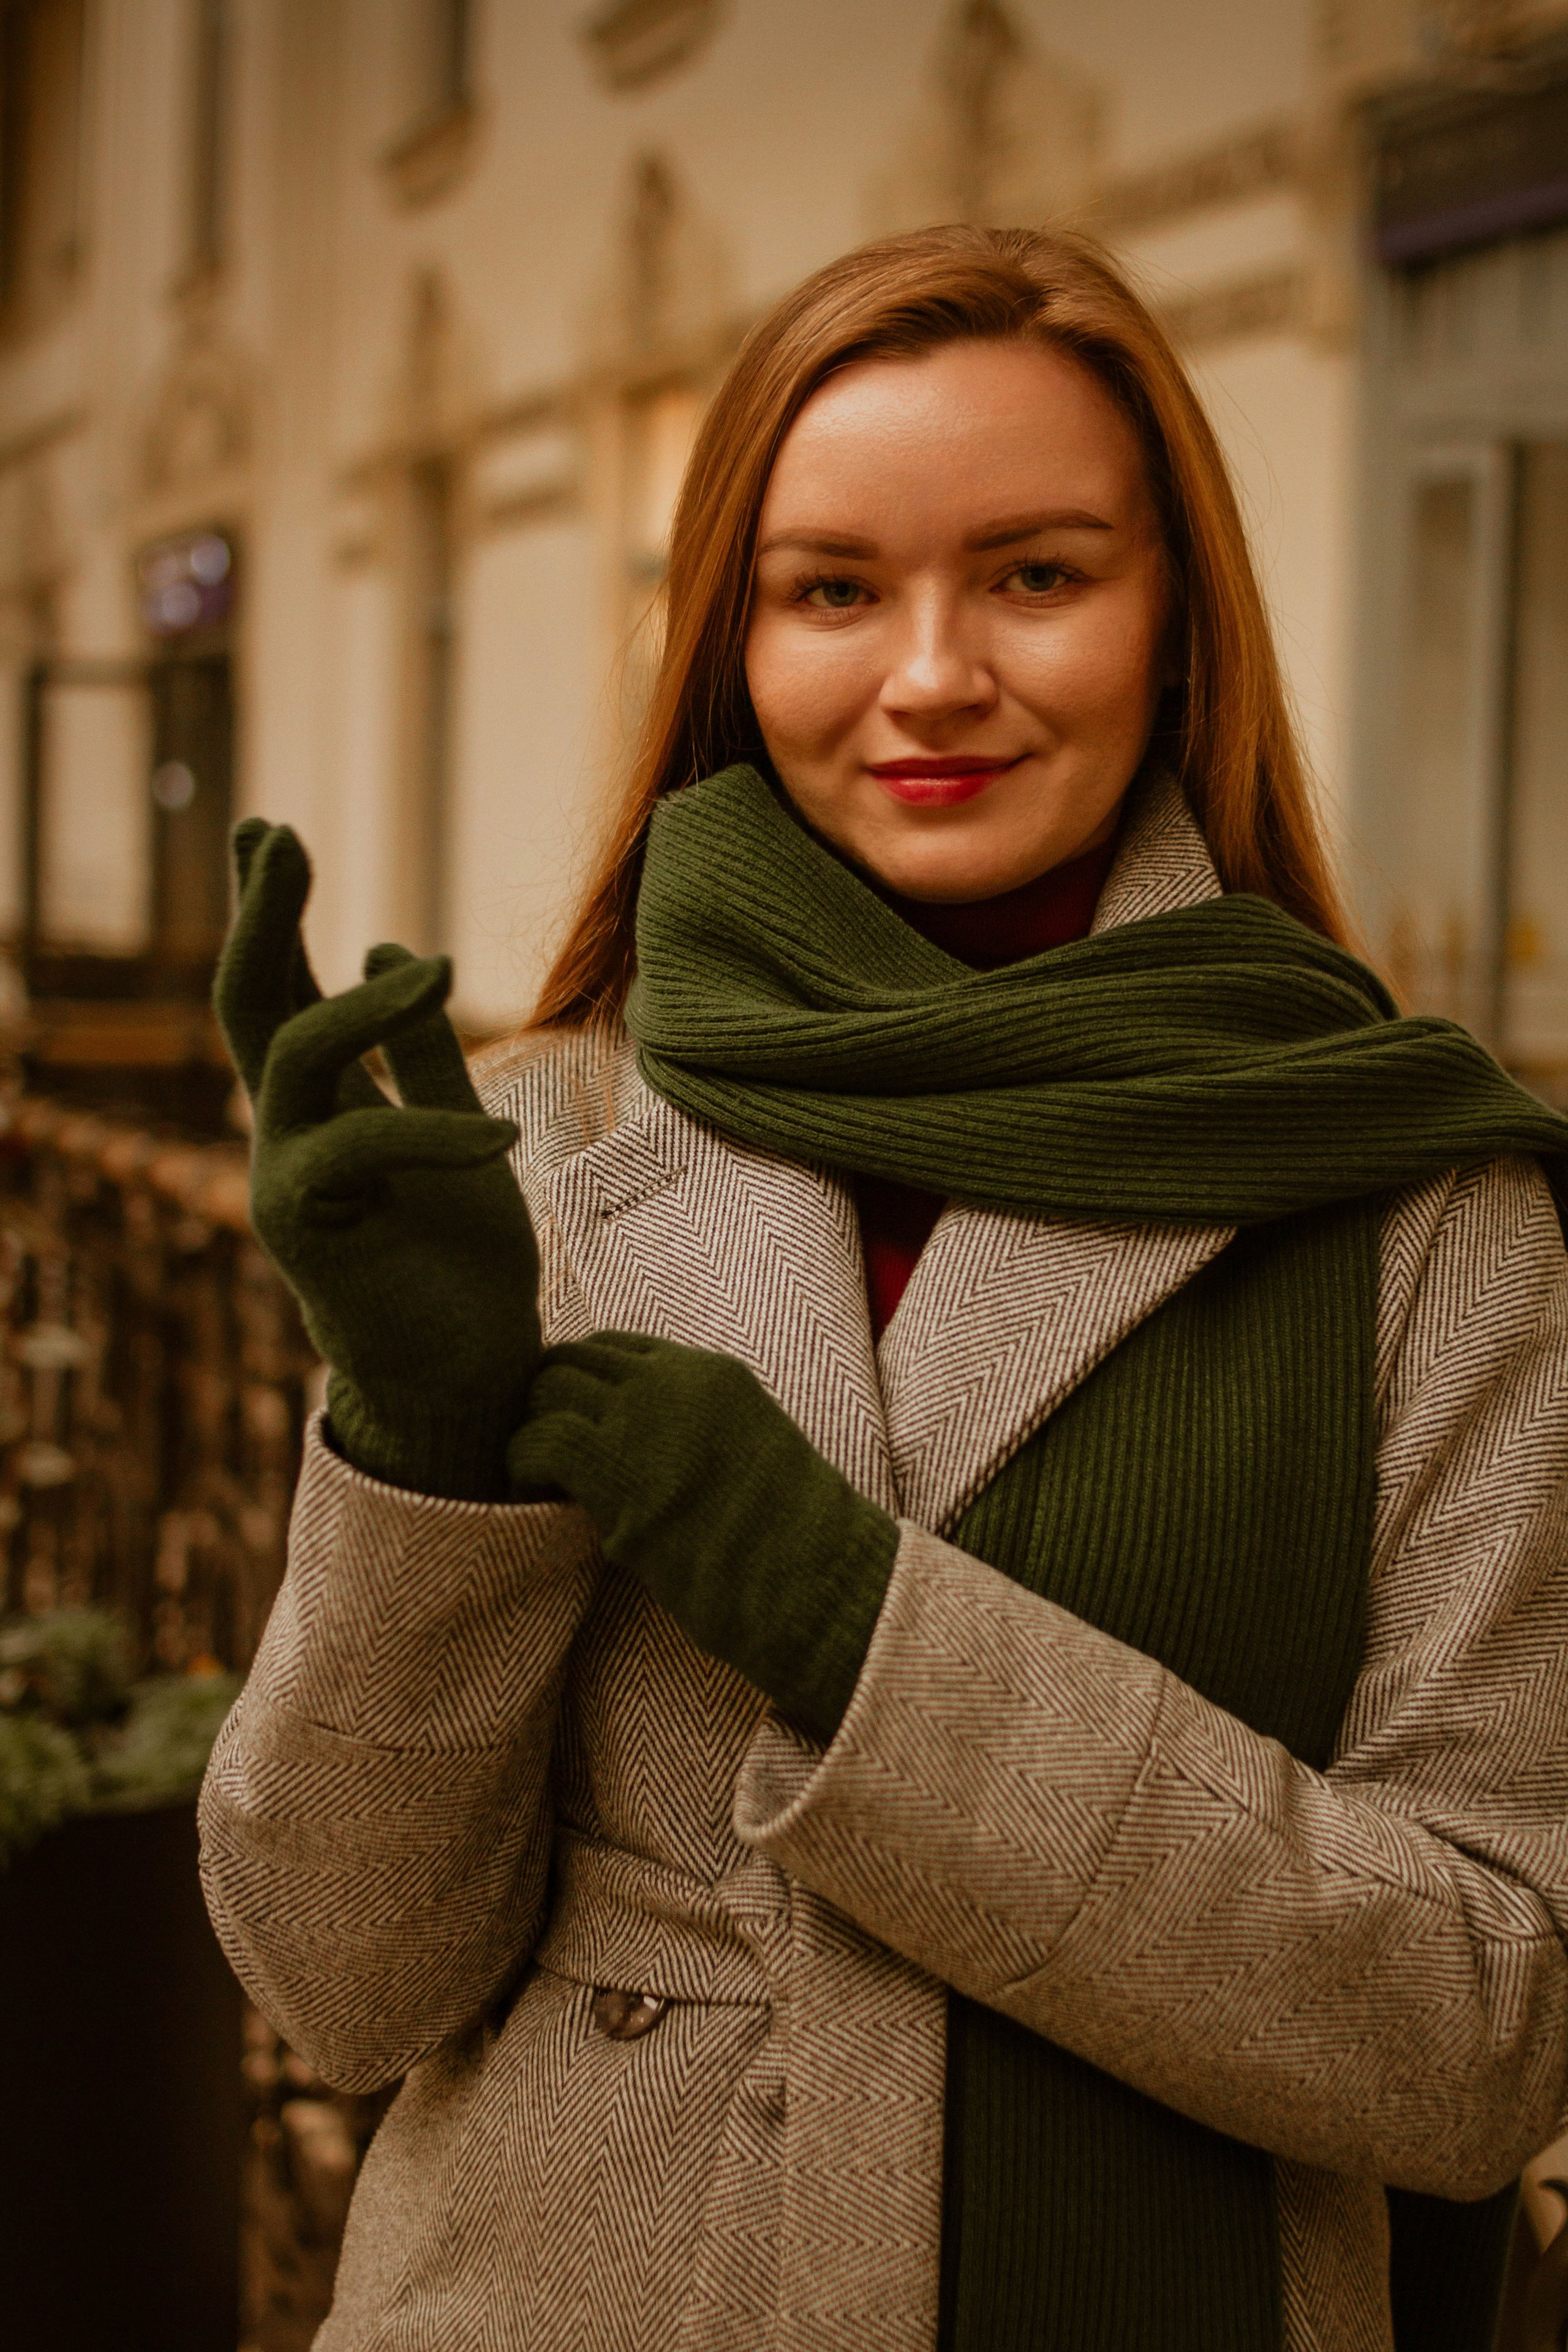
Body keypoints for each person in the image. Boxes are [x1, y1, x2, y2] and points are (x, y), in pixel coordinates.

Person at [199, 227, 1568, 2352]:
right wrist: (421, 1460)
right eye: (833, 590)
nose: (932, 674)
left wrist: (859, 1629)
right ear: (734, 645)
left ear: (1177, 628)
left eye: (1036, 575)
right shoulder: (540, 1144)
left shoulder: (1415, 1200)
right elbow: (339, 1985)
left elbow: (1484, 2034)